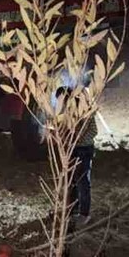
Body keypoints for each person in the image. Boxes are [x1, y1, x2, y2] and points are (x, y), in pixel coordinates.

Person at [57, 85, 98, 225]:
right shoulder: (66, 112)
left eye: (61, 100)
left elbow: (91, 131)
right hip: (72, 149)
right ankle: (72, 211)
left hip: (84, 150)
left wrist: (75, 139)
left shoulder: (84, 112)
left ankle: (84, 214)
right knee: (71, 181)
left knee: (82, 182)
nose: (60, 104)